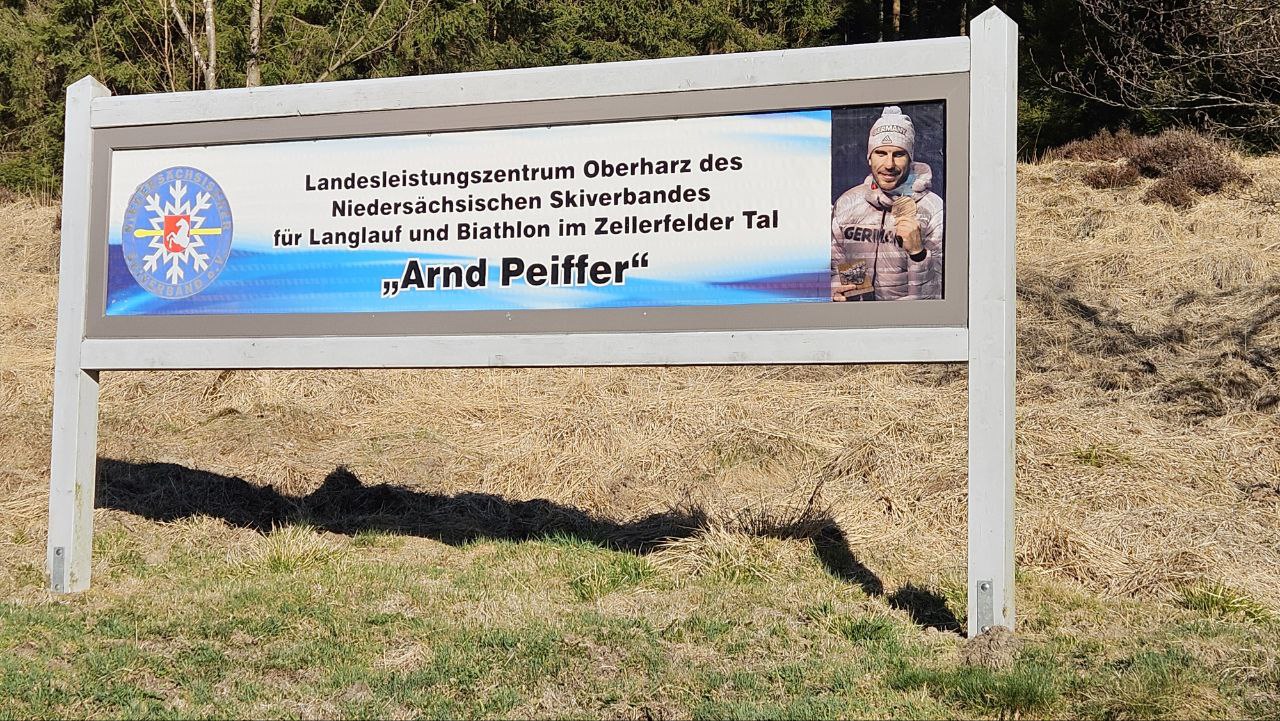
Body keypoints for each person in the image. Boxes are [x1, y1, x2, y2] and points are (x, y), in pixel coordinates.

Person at [831, 106, 944, 301]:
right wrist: (837, 290)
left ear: (910, 158)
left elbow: (941, 293)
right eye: (881, 153)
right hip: (858, 317)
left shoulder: (933, 208)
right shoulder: (848, 203)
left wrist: (918, 253)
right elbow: (835, 269)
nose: (889, 164)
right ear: (869, 157)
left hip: (908, 319)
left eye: (898, 154)